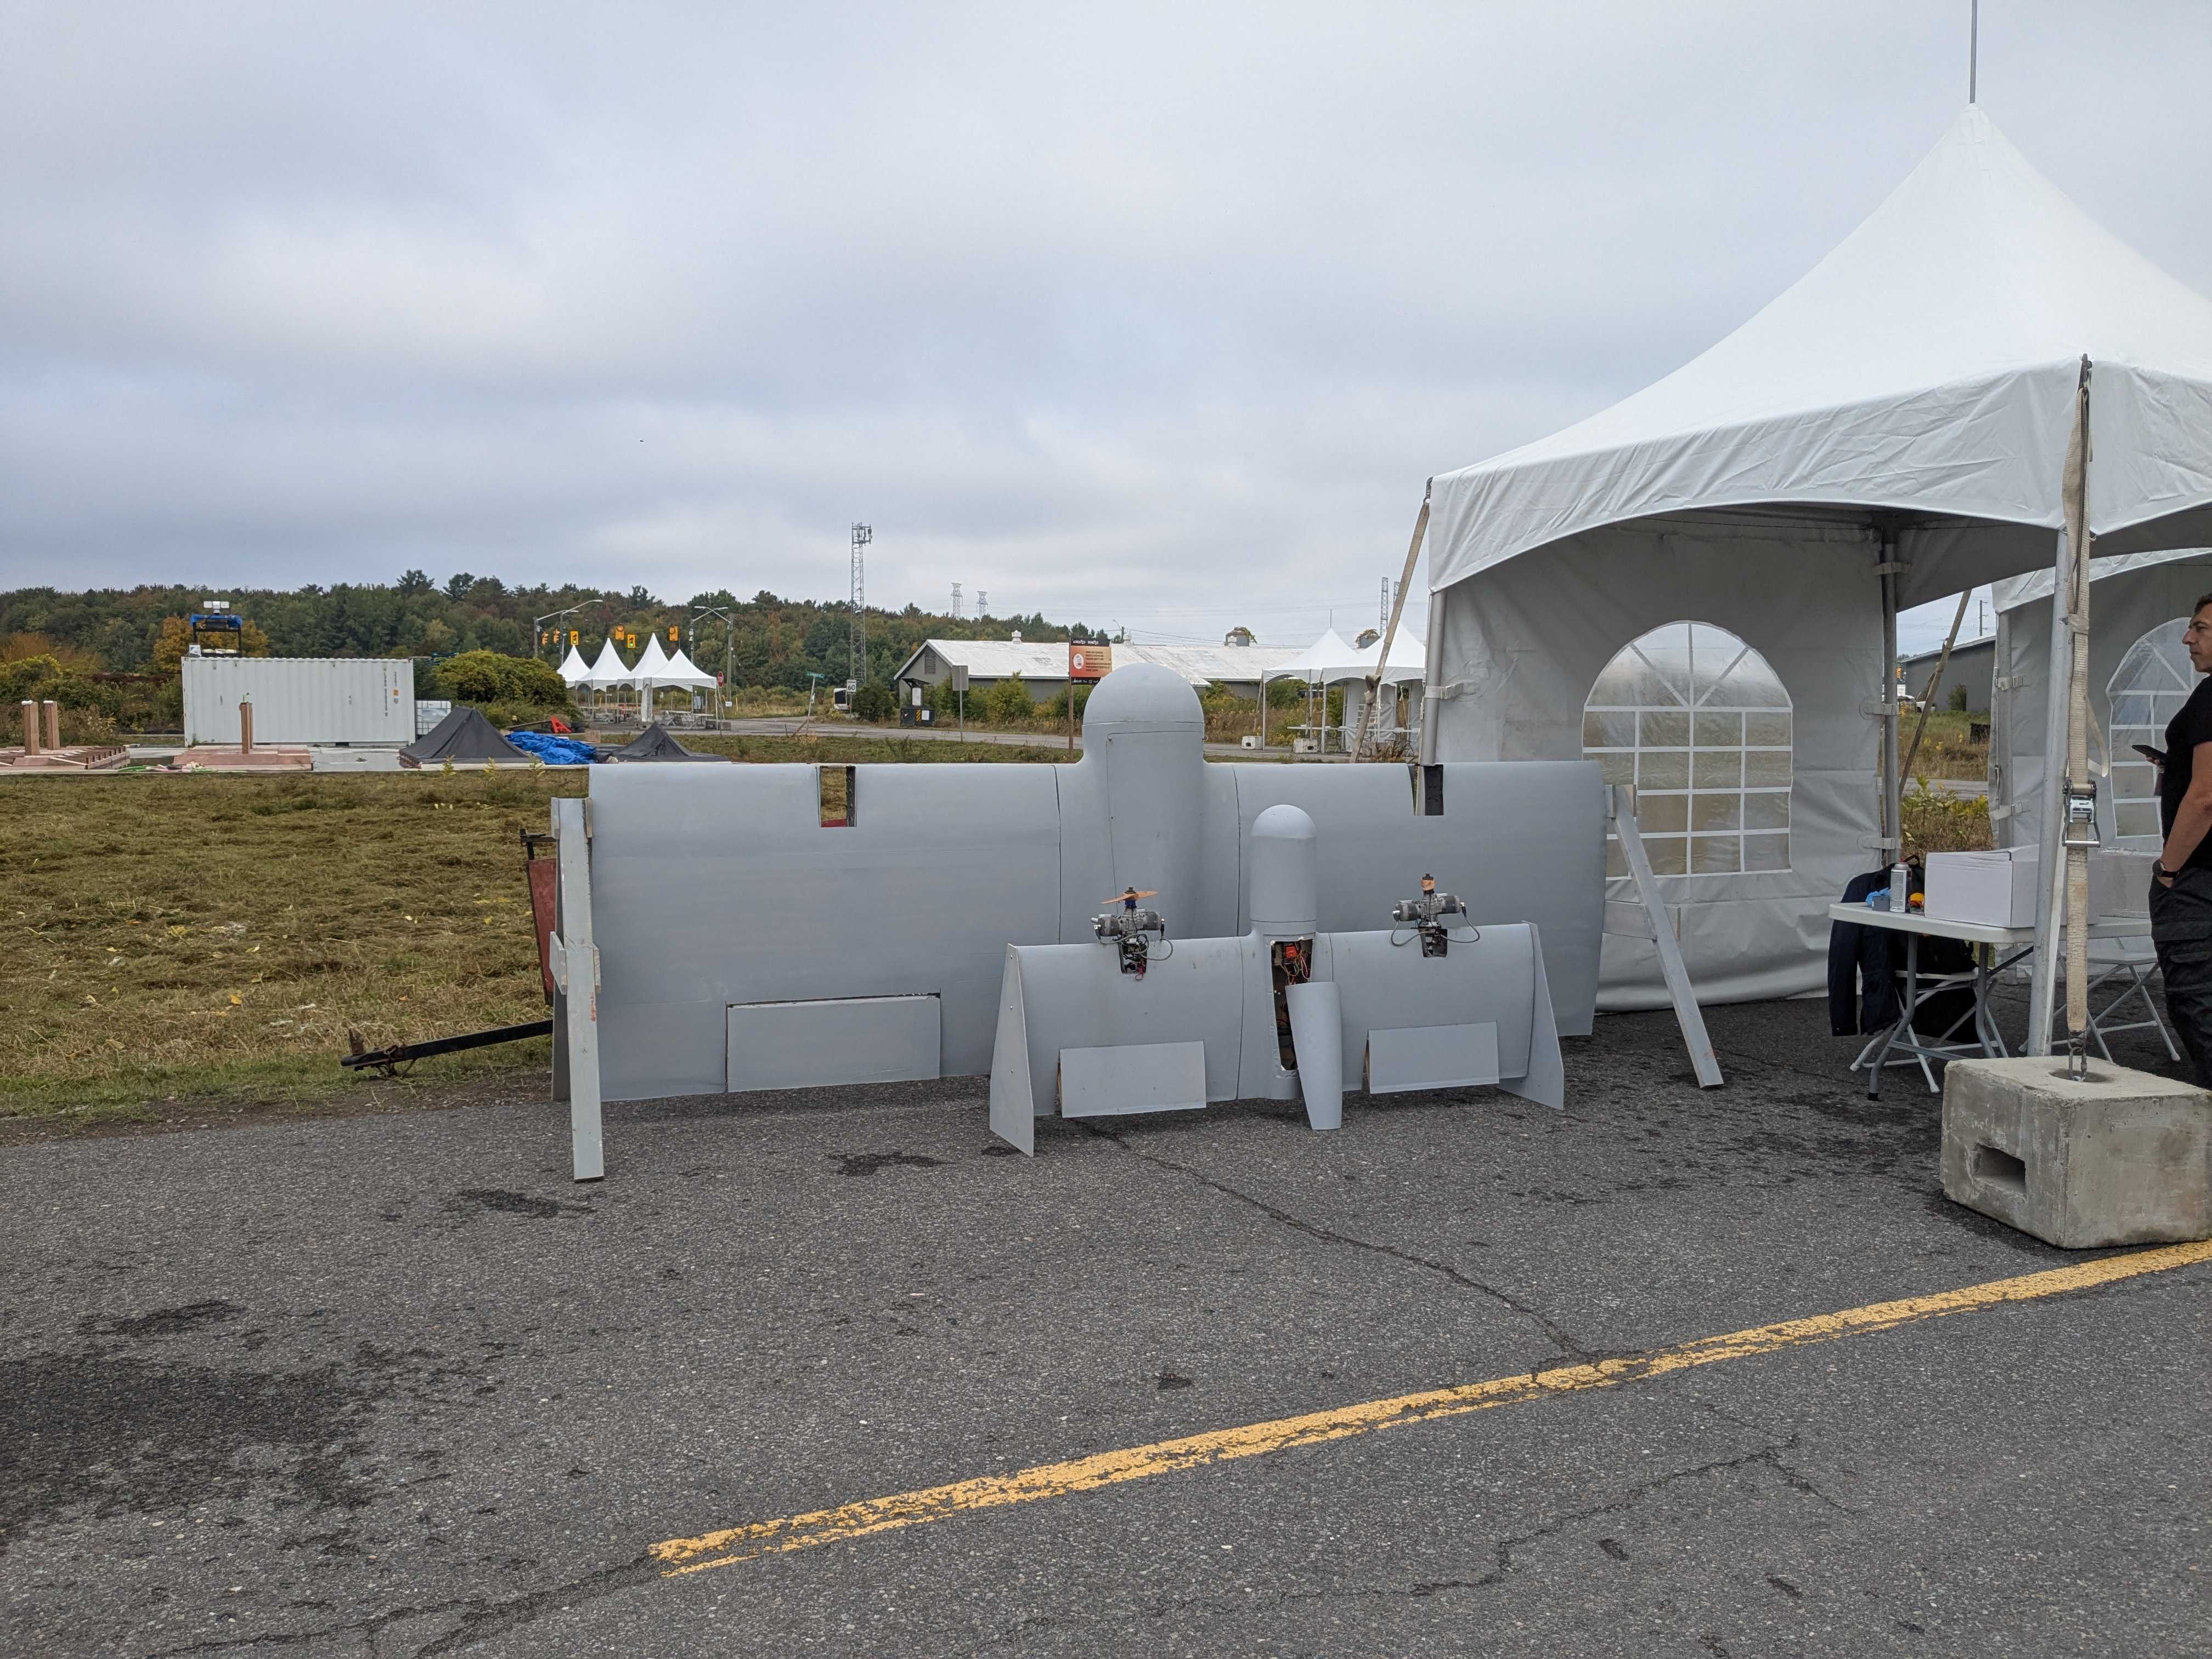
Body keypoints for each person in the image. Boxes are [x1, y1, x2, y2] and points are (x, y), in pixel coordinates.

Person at [2151, 593, 2212, 1082]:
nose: (2188, 638)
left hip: (2199, 882)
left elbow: (2207, 797)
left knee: (2199, 1005)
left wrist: (2168, 870)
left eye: (2201, 629)